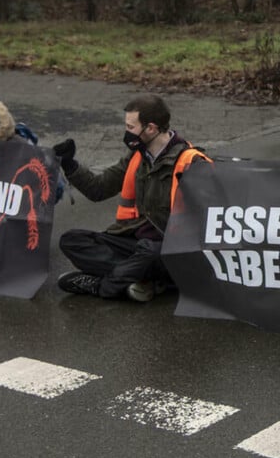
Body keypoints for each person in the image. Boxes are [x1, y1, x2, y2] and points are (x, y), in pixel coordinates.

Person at [53, 93, 211, 302]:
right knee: (72, 240)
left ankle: (103, 286)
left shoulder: (192, 163)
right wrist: (69, 164)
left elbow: (205, 224)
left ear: (151, 128)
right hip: (135, 242)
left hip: (169, 249)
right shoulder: (137, 156)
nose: (126, 133)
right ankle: (142, 281)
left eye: (130, 128)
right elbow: (98, 189)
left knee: (148, 252)